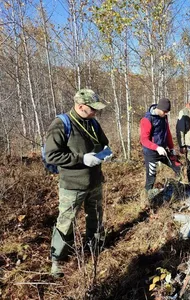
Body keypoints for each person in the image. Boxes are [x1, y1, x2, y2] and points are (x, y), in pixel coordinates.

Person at [45, 88, 111, 277]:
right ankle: (58, 260)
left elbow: (104, 143)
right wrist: (82, 159)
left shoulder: (93, 123)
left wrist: (104, 153)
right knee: (65, 222)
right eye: (93, 109)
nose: (96, 112)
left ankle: (94, 248)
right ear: (81, 107)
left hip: (95, 182)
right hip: (72, 185)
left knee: (96, 217)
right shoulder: (61, 124)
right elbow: (51, 155)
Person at [140, 98, 181, 195]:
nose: (166, 113)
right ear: (159, 108)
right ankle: (147, 199)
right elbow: (144, 140)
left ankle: (180, 189)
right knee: (151, 176)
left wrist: (171, 148)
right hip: (151, 152)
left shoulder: (164, 117)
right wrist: (156, 148)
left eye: (168, 112)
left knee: (179, 167)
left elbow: (168, 133)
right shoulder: (147, 119)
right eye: (165, 111)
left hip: (163, 150)